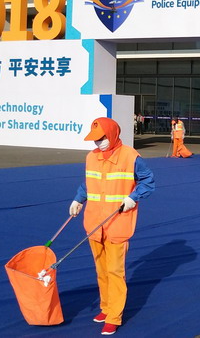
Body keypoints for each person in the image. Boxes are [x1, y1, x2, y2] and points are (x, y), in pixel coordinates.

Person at [69, 117, 155, 336]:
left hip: (117, 223)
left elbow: (148, 181)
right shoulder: (91, 157)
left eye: (102, 139)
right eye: (95, 140)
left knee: (115, 272)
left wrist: (133, 197)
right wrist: (78, 199)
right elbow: (88, 183)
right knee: (101, 270)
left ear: (112, 134)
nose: (98, 143)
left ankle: (114, 317)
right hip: (94, 223)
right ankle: (106, 308)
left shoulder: (130, 156)